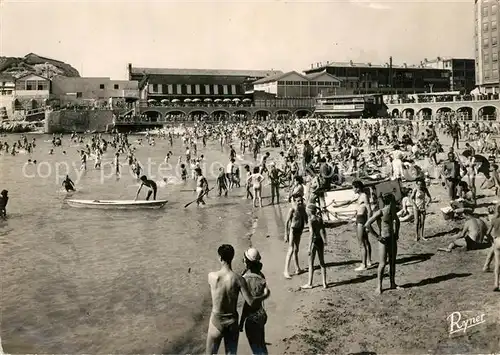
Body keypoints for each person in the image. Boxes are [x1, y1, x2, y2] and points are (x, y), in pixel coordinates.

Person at [206, 244, 270, 355]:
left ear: (220, 258)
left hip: (217, 319)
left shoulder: (211, 276)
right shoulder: (239, 279)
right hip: (232, 322)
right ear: (233, 257)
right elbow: (251, 302)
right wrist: (265, 295)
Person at [329, 180, 373, 271]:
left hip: (362, 219)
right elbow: (349, 201)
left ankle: (363, 264)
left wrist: (368, 223)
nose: (353, 189)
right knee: (365, 241)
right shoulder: (360, 196)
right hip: (360, 218)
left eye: (353, 188)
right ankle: (368, 261)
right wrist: (338, 205)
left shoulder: (364, 196)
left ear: (357, 188)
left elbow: (369, 210)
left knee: (361, 243)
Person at [364, 193, 401, 294]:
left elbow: (397, 222)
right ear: (390, 202)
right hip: (383, 240)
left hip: (392, 239)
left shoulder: (393, 211)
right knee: (383, 263)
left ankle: (392, 283)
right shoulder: (380, 212)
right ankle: (379, 286)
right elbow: (367, 224)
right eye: (393, 201)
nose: (395, 203)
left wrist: (396, 233)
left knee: (393, 262)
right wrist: (377, 236)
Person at [240, 248, 269, 355]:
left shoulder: (244, 279)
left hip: (252, 317)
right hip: (261, 314)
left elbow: (247, 305)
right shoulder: (261, 276)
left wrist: (241, 321)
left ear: (247, 262)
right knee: (261, 344)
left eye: (244, 259)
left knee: (255, 349)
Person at [301, 204, 328, 289]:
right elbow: (322, 230)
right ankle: (324, 283)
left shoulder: (311, 220)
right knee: (322, 262)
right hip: (320, 241)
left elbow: (311, 233)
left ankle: (310, 283)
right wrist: (325, 240)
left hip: (314, 241)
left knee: (311, 263)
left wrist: (309, 247)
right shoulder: (319, 218)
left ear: (309, 211)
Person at [284, 196, 308, 279]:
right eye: (298, 201)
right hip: (292, 230)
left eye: (301, 201)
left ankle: (297, 268)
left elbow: (306, 219)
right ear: (294, 201)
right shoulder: (292, 210)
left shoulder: (302, 209)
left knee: (296, 249)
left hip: (299, 230)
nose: (300, 202)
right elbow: (286, 222)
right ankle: (285, 271)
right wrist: (285, 234)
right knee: (290, 249)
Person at [483, 205, 500, 292]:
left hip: (497, 241)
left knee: (497, 263)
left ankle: (496, 283)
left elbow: (487, 233)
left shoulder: (494, 220)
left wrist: (492, 239)